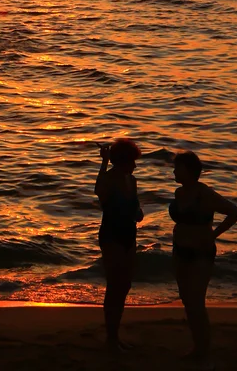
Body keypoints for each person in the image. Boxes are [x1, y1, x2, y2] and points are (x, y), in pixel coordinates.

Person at [169, 150, 237, 370]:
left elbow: (234, 212)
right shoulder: (179, 193)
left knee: (196, 302)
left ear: (189, 171)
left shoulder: (206, 194)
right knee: (187, 300)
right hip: (180, 251)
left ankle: (203, 350)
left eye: (178, 167)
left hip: (201, 254)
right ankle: (197, 346)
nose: (174, 171)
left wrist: (213, 234)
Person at [94, 138, 143, 351]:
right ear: (123, 161)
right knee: (114, 285)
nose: (135, 165)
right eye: (132, 161)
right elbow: (99, 190)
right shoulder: (110, 178)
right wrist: (104, 162)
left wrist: (138, 213)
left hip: (128, 234)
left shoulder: (131, 180)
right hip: (111, 234)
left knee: (124, 285)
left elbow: (136, 209)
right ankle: (111, 338)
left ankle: (115, 335)